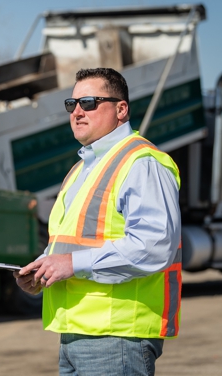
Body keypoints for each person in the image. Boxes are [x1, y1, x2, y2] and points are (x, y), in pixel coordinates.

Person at [14, 68, 181, 375]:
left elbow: (155, 246)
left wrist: (72, 264)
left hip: (117, 336)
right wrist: (43, 267)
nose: (77, 111)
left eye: (89, 102)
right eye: (72, 104)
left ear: (121, 109)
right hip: (76, 333)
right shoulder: (81, 169)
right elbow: (72, 242)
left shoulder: (141, 162)